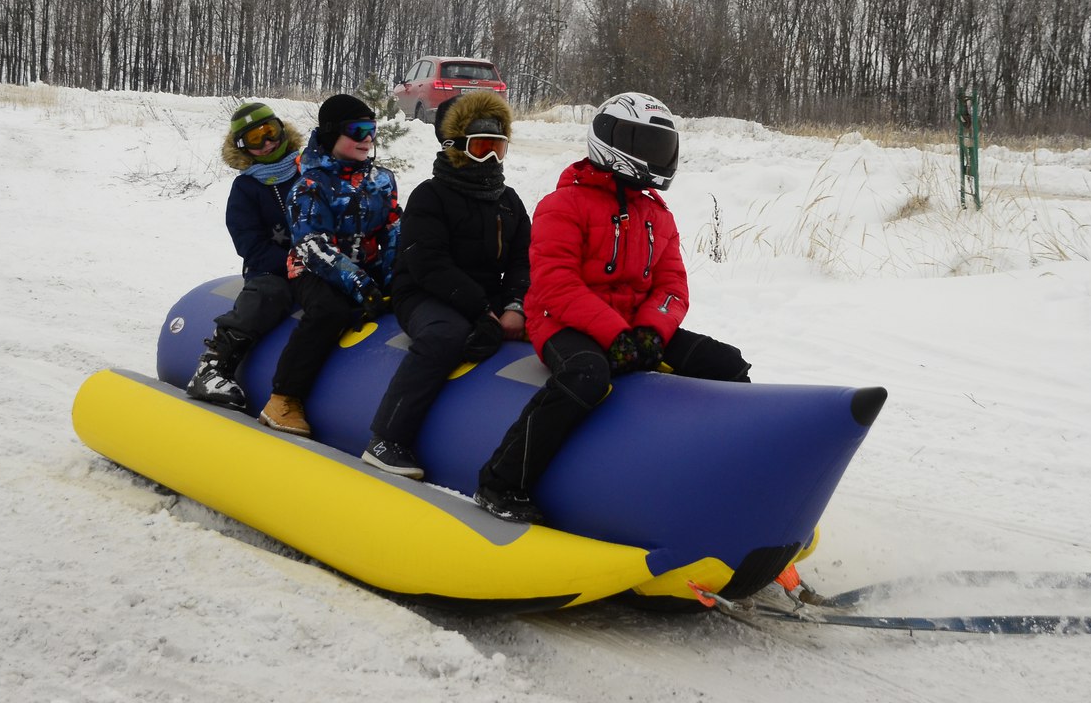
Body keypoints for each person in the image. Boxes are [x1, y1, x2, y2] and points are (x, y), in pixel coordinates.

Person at [475, 92, 752, 523]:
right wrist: (615, 335)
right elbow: (555, 284)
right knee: (587, 374)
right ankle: (501, 480)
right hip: (562, 322)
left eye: (661, 146)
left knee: (727, 364)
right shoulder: (562, 205)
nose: (656, 157)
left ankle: (735, 477)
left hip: (634, 327)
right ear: (610, 141)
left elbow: (672, 286)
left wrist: (648, 332)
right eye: (645, 144)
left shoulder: (657, 214)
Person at [362, 91, 531, 479]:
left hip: (484, 298)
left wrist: (514, 305)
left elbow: (525, 259)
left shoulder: (509, 202)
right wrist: (480, 310)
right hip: (424, 293)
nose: (490, 158)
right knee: (446, 335)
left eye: (498, 148)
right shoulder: (431, 195)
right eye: (480, 148)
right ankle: (386, 437)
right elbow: (427, 263)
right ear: (457, 148)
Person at [258, 94, 401, 437]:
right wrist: (360, 283)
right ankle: (283, 397)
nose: (367, 139)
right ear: (332, 134)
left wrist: (397, 276)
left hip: (365, 266)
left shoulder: (381, 181)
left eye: (372, 130)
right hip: (314, 267)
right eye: (357, 130)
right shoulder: (310, 185)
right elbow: (312, 244)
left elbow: (394, 227)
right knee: (329, 310)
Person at [186, 102, 305, 409]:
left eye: (270, 132)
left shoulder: (309, 168)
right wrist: (292, 262)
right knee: (269, 293)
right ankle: (213, 366)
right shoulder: (246, 188)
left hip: (323, 264)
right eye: (256, 139)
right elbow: (250, 245)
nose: (268, 143)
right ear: (243, 147)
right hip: (272, 270)